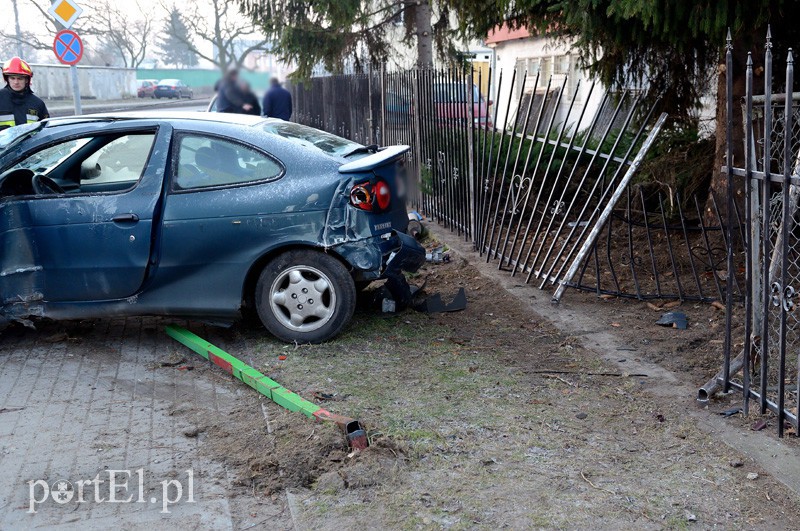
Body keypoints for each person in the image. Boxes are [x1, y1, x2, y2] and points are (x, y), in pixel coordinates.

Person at [0, 57, 49, 131]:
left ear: (27, 80)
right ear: (7, 79)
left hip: (32, 143)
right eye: (12, 78)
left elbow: (46, 130)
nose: (16, 82)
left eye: (20, 78)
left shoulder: (38, 103)